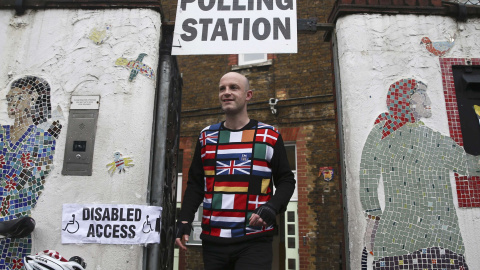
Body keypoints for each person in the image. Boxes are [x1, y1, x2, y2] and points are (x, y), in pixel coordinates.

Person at [175, 72, 296, 269]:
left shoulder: (269, 135)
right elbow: (196, 184)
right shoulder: (207, 137)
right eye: (222, 89)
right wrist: (185, 219)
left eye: (233, 88)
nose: (226, 93)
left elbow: (286, 180)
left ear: (248, 95)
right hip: (213, 241)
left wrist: (272, 207)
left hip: (255, 239)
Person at [359, 78, 480, 269]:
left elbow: (470, 165)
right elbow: (368, 180)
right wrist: (373, 217)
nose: (429, 102)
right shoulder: (383, 133)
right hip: (418, 241)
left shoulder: (434, 139)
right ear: (406, 99)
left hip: (431, 241)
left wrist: (373, 221)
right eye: (422, 94)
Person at [0, 76, 62, 269]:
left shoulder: (43, 137)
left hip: (18, 220)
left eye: (17, 96)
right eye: (9, 97)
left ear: (33, 98)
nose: (10, 100)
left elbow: (34, 179)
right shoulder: (1, 133)